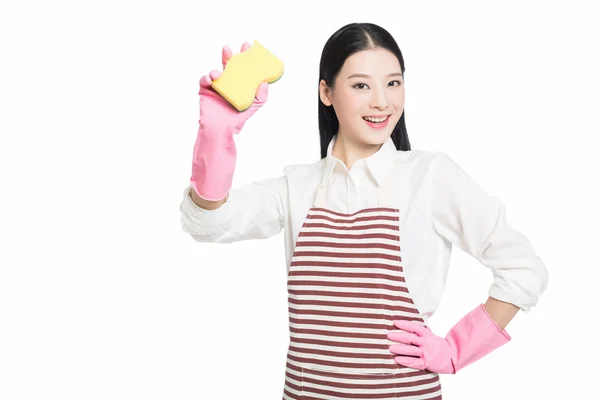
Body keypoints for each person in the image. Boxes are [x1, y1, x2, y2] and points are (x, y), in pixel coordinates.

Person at [180, 22, 549, 400]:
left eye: (393, 83)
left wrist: (456, 350)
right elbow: (209, 223)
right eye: (361, 85)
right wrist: (215, 135)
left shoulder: (430, 176)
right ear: (326, 91)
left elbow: (523, 268)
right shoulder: (298, 186)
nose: (382, 102)